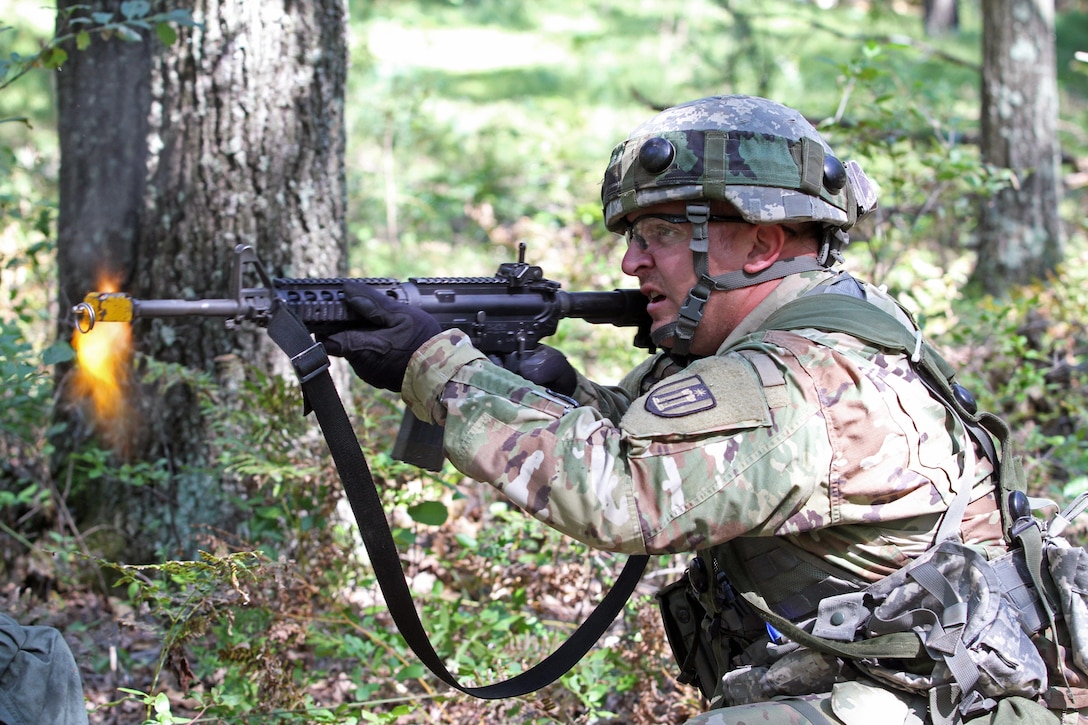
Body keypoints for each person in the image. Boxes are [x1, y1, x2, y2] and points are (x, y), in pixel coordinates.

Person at [319, 95, 1070, 724]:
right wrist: (555, 388)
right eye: (636, 237)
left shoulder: (800, 378)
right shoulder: (805, 327)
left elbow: (620, 490)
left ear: (760, 243)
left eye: (661, 235)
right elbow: (652, 436)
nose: (630, 263)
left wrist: (439, 368)